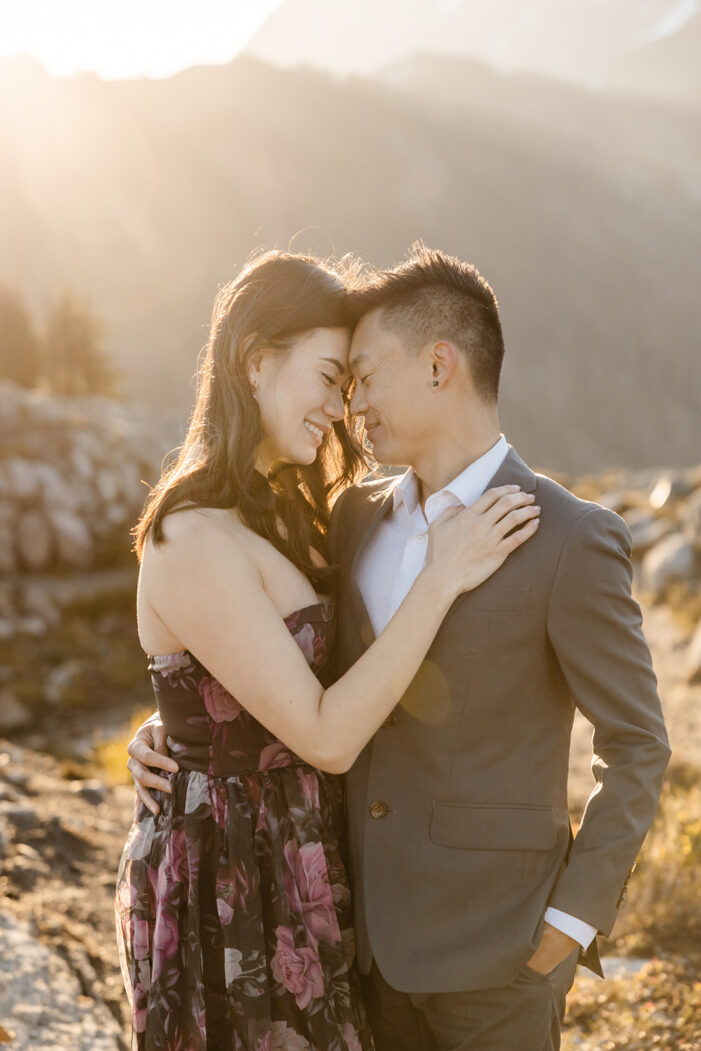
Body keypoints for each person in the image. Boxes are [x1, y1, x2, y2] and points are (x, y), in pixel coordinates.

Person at [116, 249, 541, 1051]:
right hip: (227, 880)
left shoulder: (292, 514)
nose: (340, 408)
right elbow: (324, 734)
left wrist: (181, 720)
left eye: (351, 385)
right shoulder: (190, 535)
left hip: (300, 857)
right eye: (328, 377)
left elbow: (263, 674)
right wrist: (442, 574)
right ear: (255, 361)